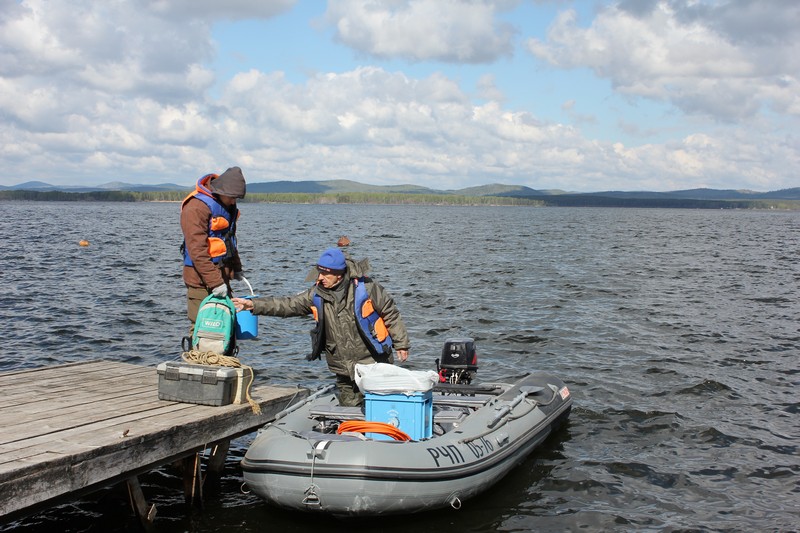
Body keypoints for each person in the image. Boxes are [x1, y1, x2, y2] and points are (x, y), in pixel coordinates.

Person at [233, 247, 410, 407]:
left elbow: (390, 313)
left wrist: (401, 344)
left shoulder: (368, 288)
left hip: (373, 362)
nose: (320, 278)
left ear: (339, 274)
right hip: (342, 367)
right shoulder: (316, 293)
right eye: (319, 272)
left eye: (326, 274)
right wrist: (253, 305)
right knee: (350, 410)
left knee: (381, 407)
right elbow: (288, 305)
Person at [180, 166, 247, 333]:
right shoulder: (196, 208)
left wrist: (237, 268)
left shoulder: (227, 205)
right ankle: (200, 358)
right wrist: (216, 283)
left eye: (236, 198)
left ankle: (224, 359)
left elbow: (229, 240)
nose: (233, 202)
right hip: (200, 280)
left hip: (221, 277)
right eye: (232, 197)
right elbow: (197, 251)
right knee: (203, 327)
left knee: (226, 325)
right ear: (220, 190)